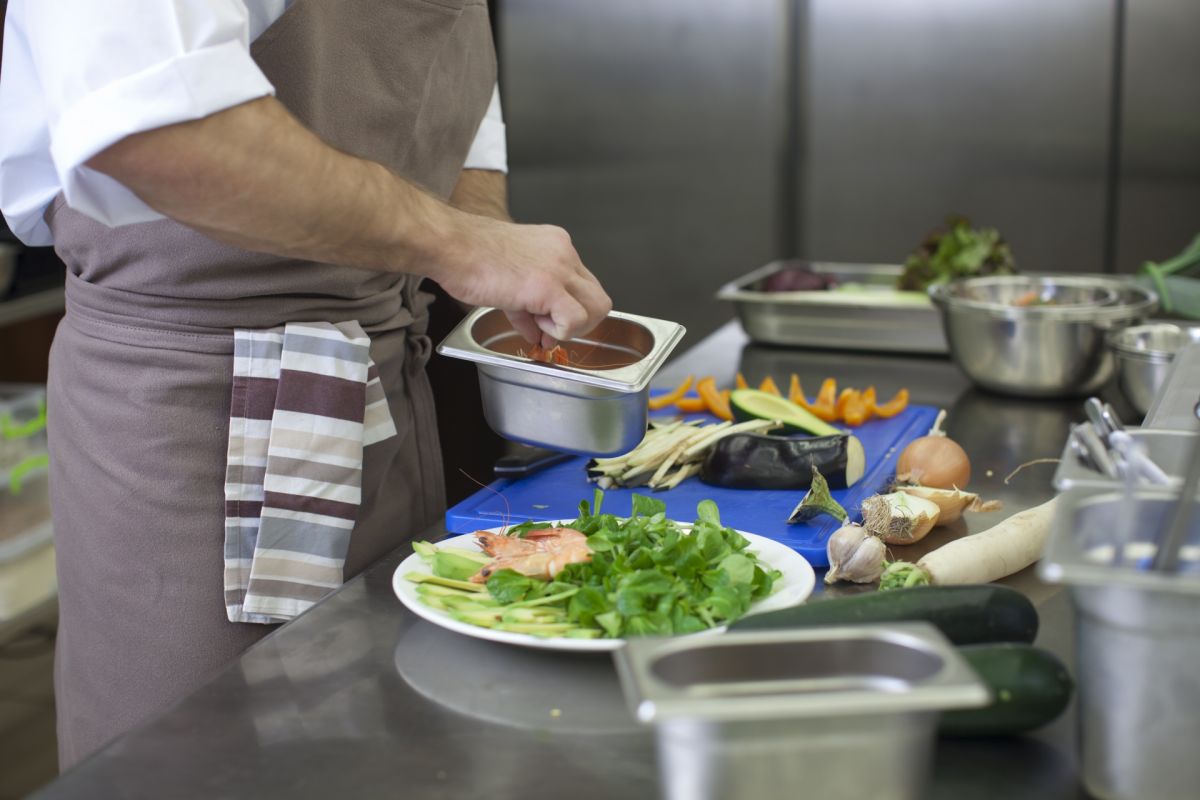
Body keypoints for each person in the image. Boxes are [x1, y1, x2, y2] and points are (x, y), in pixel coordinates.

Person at [0, 0, 612, 768]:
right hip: (208, 417)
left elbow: (448, 114)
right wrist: (460, 243)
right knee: (206, 756)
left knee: (378, 746)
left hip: (386, 386)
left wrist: (490, 246)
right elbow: (157, 130)